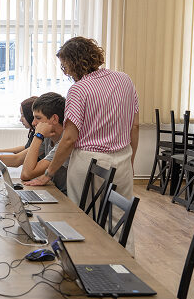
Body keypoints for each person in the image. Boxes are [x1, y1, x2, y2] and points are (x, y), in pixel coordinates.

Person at [42, 37, 139, 247]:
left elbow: (69, 138)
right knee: (120, 220)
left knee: (83, 220)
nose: (65, 72)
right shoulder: (125, 80)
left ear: (75, 62)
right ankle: (124, 270)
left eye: (65, 66)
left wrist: (48, 173)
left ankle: (86, 269)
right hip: (122, 157)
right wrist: (130, 160)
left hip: (89, 161)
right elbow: (134, 126)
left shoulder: (79, 89)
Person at [0, 92, 68, 193]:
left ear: (54, 118)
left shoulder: (63, 143)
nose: (33, 123)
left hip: (65, 199)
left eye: (38, 118)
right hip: (53, 191)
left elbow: (26, 174)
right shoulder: (48, 138)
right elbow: (17, 159)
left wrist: (38, 135)